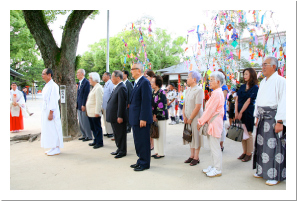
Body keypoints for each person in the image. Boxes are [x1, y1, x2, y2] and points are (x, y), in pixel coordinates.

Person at [253, 56, 286, 186]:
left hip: (274, 117)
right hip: (262, 117)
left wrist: (280, 121)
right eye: (262, 64)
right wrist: (257, 116)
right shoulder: (263, 82)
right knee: (261, 146)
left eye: (265, 64)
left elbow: (284, 102)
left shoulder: (281, 81)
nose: (263, 67)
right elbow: (258, 100)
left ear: (274, 66)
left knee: (274, 146)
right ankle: (261, 171)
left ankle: (275, 175)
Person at [197, 71, 225, 177]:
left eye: (212, 80)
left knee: (215, 147)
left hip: (214, 123)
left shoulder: (217, 93)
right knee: (213, 147)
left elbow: (209, 110)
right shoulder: (216, 92)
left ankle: (217, 169)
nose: (210, 82)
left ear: (218, 81)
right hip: (213, 123)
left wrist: (200, 121)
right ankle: (214, 166)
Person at [129, 63, 153, 171]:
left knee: (143, 141)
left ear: (139, 70)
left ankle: (145, 163)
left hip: (141, 118)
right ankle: (140, 160)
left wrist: (143, 118)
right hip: (135, 117)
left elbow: (146, 102)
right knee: (138, 141)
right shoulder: (137, 82)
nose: (131, 71)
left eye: (132, 69)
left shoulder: (144, 82)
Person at [235, 68, 259, 162]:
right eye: (244, 74)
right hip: (239, 111)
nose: (244, 76)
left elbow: (249, 100)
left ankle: (249, 154)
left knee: (248, 133)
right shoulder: (242, 86)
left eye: (246, 74)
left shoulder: (255, 87)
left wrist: (241, 112)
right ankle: (244, 152)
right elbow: (237, 99)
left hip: (248, 112)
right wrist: (236, 112)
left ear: (251, 75)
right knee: (242, 132)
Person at [182, 71, 204, 166]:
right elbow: (184, 104)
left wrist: (190, 118)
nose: (187, 79)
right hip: (187, 117)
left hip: (195, 117)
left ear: (194, 79)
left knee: (196, 136)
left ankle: (196, 157)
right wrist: (184, 115)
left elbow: (198, 106)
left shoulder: (199, 90)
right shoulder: (188, 90)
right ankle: (191, 155)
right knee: (189, 135)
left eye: (188, 77)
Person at [40, 68, 63, 156]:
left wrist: (51, 112)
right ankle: (52, 146)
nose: (42, 76)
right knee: (49, 129)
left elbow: (53, 100)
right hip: (46, 109)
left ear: (49, 75)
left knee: (54, 128)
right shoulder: (47, 85)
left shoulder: (54, 86)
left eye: (43, 74)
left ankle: (56, 147)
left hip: (51, 110)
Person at [107, 71, 128, 158]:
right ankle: (119, 149)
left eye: (112, 77)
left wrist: (120, 116)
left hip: (117, 116)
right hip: (114, 115)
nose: (111, 79)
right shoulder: (117, 87)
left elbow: (121, 103)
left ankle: (122, 151)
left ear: (118, 78)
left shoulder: (121, 87)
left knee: (120, 134)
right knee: (116, 134)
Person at [150, 75, 168, 159]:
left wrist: (155, 115)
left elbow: (161, 105)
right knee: (155, 133)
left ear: (157, 83)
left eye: (153, 82)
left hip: (161, 116)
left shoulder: (161, 92)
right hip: (154, 116)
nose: (151, 83)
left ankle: (161, 152)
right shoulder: (153, 92)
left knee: (161, 134)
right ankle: (156, 151)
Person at [86, 72, 104, 149]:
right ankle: (95, 140)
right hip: (90, 112)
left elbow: (99, 101)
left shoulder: (99, 88)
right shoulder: (94, 87)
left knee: (97, 128)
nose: (89, 80)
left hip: (94, 112)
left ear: (94, 79)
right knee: (93, 128)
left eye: (90, 78)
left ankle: (99, 142)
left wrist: (97, 112)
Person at [76, 69, 93, 142]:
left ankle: (88, 135)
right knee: (80, 121)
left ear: (82, 74)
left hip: (83, 104)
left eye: (78, 73)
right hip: (79, 104)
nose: (77, 74)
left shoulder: (86, 82)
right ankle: (84, 134)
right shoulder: (80, 83)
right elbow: (78, 94)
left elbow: (86, 94)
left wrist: (83, 104)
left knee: (85, 121)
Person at [218, 69, 229, 152]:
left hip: (221, 110)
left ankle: (221, 144)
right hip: (214, 110)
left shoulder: (224, 87)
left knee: (221, 127)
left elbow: (222, 100)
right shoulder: (214, 87)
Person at [144, 70, 155, 150]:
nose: (145, 78)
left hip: (152, 110)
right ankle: (149, 143)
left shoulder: (152, 86)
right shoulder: (147, 84)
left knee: (152, 128)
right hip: (148, 110)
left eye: (146, 76)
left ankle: (152, 144)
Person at [102, 72, 114, 138]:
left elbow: (112, 94)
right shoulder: (105, 84)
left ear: (108, 76)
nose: (102, 77)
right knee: (105, 119)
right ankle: (107, 131)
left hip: (108, 105)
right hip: (104, 105)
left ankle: (110, 132)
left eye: (104, 76)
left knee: (108, 119)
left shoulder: (110, 83)